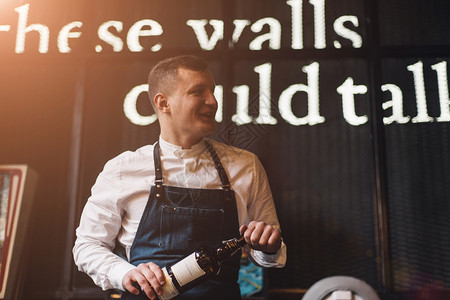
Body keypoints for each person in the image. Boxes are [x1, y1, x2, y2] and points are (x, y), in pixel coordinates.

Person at [73, 55, 286, 300]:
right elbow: (87, 246)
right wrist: (124, 273)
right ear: (163, 103)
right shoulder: (122, 169)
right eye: (198, 92)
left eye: (213, 91)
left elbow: (271, 255)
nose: (213, 101)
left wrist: (268, 246)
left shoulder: (247, 166)